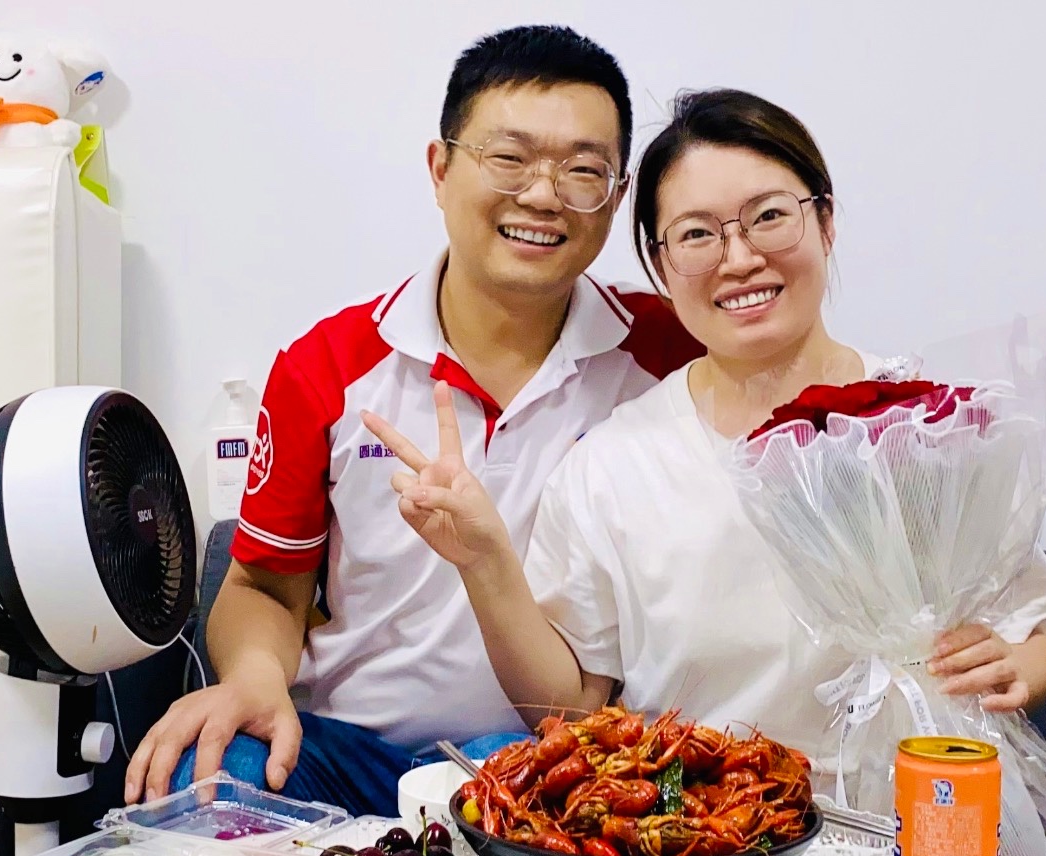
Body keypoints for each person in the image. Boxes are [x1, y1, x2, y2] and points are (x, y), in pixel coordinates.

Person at [363, 88, 1046, 762]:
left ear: (825, 222)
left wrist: (1014, 668)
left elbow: (1035, 635)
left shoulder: (927, 427)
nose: (740, 259)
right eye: (697, 234)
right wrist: (485, 561)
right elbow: (571, 709)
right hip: (707, 827)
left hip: (918, 810)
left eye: (769, 216)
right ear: (661, 266)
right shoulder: (613, 466)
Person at [123, 26, 702, 811]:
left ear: (617, 195)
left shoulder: (671, 361)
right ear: (440, 168)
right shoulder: (328, 366)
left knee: (560, 796)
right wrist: (256, 679)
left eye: (582, 171)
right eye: (509, 158)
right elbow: (263, 584)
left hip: (553, 763)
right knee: (212, 777)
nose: (542, 195)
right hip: (346, 749)